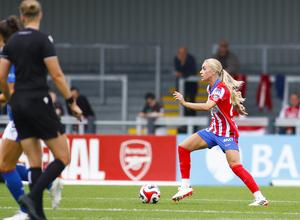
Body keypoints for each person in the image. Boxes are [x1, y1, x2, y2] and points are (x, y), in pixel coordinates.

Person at [0, 1, 83, 219]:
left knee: (34, 161)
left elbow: (1, 77)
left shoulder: (11, 42)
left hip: (18, 106)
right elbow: (56, 75)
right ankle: (34, 195)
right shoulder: (43, 39)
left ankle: (38, 214)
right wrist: (70, 102)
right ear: (41, 15)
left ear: (22, 16)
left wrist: (11, 100)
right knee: (63, 157)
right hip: (39, 101)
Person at [172, 58, 268, 206]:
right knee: (183, 148)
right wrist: (237, 106)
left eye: (204, 69)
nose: (201, 72)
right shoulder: (211, 88)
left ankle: (260, 198)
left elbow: (207, 106)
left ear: (214, 71)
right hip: (213, 131)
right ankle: (185, 186)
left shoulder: (219, 88)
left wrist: (185, 103)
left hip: (227, 133)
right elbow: (228, 98)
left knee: (235, 166)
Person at [174, 46, 198, 116]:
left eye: (183, 53)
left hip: (191, 85)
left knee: (192, 102)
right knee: (182, 102)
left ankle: (193, 121)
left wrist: (182, 74)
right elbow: (178, 71)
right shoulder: (177, 59)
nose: (181, 55)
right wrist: (182, 63)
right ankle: (183, 122)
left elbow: (192, 72)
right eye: (180, 53)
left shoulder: (191, 59)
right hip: (181, 85)